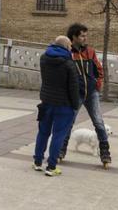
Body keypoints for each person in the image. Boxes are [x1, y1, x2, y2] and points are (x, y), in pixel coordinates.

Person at [59, 23, 110, 166]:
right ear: (74, 37)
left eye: (86, 35)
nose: (85, 38)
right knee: (68, 123)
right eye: (82, 35)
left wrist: (98, 84)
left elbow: (99, 69)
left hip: (91, 93)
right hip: (76, 95)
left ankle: (105, 153)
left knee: (99, 123)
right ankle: (61, 151)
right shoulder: (67, 53)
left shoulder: (90, 52)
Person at [32, 36, 81, 176]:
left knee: (43, 132)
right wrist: (75, 105)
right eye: (70, 46)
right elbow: (73, 86)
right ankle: (51, 166)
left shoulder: (44, 58)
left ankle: (37, 162)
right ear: (66, 47)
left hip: (46, 101)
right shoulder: (69, 63)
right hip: (64, 105)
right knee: (58, 135)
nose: (71, 48)